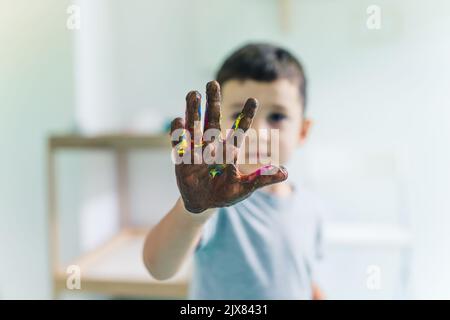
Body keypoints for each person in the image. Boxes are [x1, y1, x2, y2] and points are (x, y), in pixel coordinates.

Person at [143, 43, 325, 299]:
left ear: (303, 131)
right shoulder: (219, 205)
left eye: (277, 116)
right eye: (240, 114)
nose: (256, 132)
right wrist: (194, 211)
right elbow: (158, 265)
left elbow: (300, 274)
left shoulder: (310, 206)